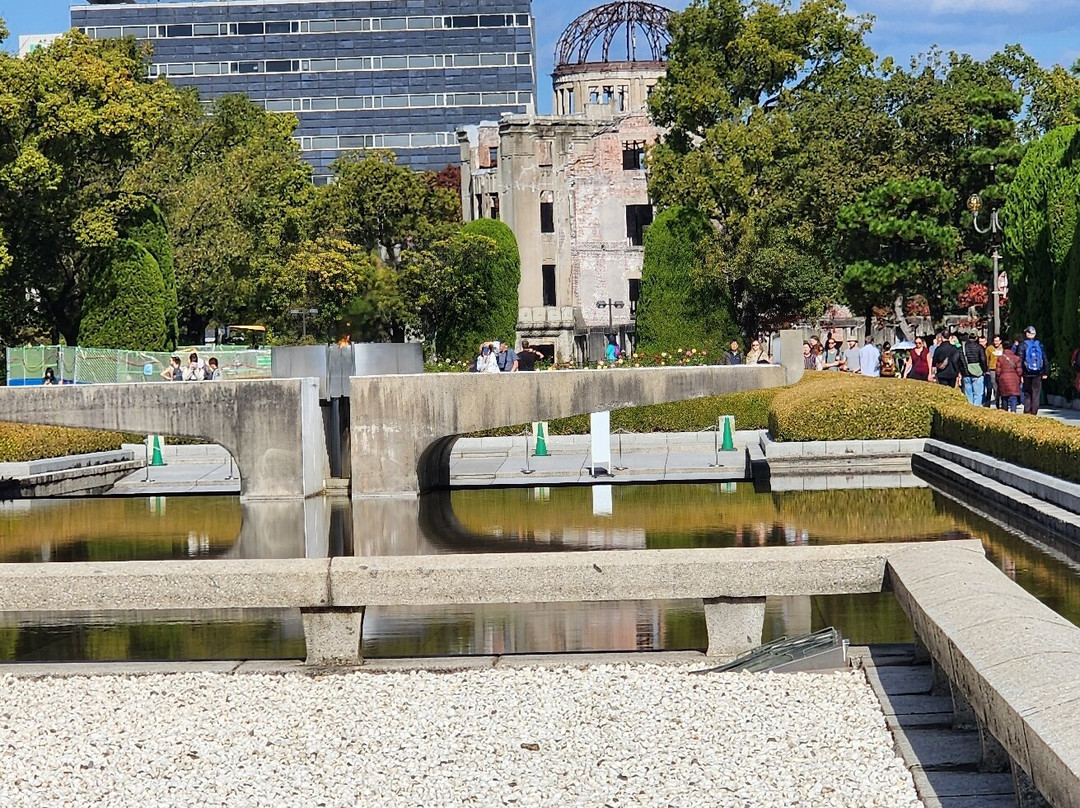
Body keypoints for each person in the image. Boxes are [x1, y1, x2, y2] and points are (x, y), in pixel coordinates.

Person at [1019, 326, 1047, 414]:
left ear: (1027, 334)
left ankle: (1027, 411)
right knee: (1036, 393)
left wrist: (1020, 374)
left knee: (1027, 392)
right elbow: (1044, 358)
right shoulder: (1039, 344)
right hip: (1038, 373)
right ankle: (1034, 411)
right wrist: (1045, 372)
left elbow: (1020, 359)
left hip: (1026, 373)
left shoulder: (1023, 344)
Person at [960, 333, 987, 406]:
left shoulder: (963, 347)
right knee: (978, 394)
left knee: (968, 394)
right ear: (976, 338)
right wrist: (984, 370)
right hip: (977, 372)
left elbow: (960, 359)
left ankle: (970, 409)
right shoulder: (979, 347)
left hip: (965, 373)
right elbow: (983, 359)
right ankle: (976, 409)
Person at [996, 341, 1024, 412]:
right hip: (1014, 379)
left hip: (1003, 378)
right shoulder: (1016, 358)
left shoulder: (1000, 358)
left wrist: (997, 379)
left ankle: (1005, 412)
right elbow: (1019, 371)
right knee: (1013, 396)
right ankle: (1013, 411)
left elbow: (998, 371)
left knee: (1004, 396)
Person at [984, 335, 1002, 407]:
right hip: (992, 369)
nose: (996, 342)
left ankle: (999, 401)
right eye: (995, 341)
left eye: (997, 341)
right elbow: (986, 359)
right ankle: (997, 400)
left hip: (1001, 369)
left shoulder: (1002, 348)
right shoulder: (989, 348)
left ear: (1000, 341)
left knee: (1000, 386)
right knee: (994, 385)